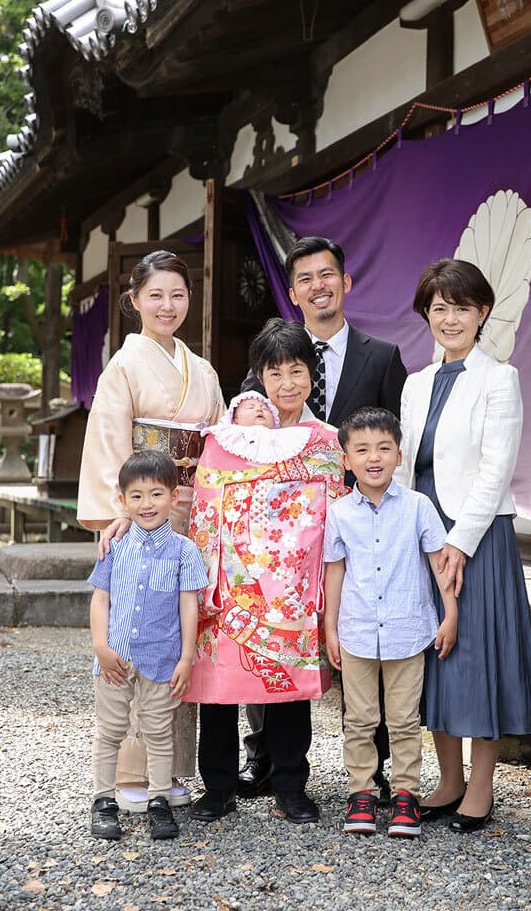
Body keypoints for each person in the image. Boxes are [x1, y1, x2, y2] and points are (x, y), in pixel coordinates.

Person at [240, 236, 407, 803]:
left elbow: (390, 442)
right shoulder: (273, 355)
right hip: (285, 538)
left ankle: (374, 767)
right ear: (292, 292)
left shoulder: (381, 357)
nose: (318, 285)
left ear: (346, 282)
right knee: (275, 635)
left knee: (367, 637)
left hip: (360, 529)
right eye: (305, 278)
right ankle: (265, 759)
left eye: (327, 274)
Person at [397, 258, 531, 834]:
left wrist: (459, 541)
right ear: (427, 315)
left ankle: (480, 787)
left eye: (462, 307)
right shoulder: (415, 383)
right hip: (425, 535)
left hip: (478, 538)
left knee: (477, 657)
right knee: (436, 660)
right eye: (439, 307)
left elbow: (495, 469)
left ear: (482, 313)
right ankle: (448, 779)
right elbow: (407, 467)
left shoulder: (499, 377)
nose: (450, 317)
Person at [77, 249, 225, 804]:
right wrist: (120, 512)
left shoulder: (202, 369)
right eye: (156, 295)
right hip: (138, 512)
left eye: (178, 294)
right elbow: (111, 443)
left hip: (190, 511)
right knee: (137, 627)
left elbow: (218, 441)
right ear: (134, 300)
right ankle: (131, 773)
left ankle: (171, 768)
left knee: (180, 633)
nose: (168, 305)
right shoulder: (124, 365)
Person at [188, 319, 345, 825]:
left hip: (297, 590)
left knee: (290, 689)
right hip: (231, 588)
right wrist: (208, 584)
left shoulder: (324, 441)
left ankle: (290, 785)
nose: (287, 384)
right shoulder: (227, 440)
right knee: (218, 688)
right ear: (260, 376)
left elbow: (336, 514)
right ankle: (217, 786)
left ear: (311, 374)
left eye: (297, 370)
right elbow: (206, 511)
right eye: (275, 372)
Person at [323, 407, 457, 838]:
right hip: (357, 631)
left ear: (399, 455)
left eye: (384, 448)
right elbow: (336, 570)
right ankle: (361, 792)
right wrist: (330, 627)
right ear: (346, 459)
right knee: (359, 720)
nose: (373, 457)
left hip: (408, 629)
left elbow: (440, 563)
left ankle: (405, 797)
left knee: (403, 721)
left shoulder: (418, 507)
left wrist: (450, 612)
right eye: (361, 450)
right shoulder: (340, 513)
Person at [88, 450, 208, 841]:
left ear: (174, 496)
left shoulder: (184, 550)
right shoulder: (113, 546)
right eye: (136, 496)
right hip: (115, 657)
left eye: (156, 494)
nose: (147, 504)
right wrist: (100, 646)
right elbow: (100, 599)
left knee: (159, 731)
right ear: (122, 502)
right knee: (111, 730)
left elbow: (188, 605)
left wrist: (187, 656)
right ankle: (103, 800)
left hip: (162, 657)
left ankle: (159, 800)